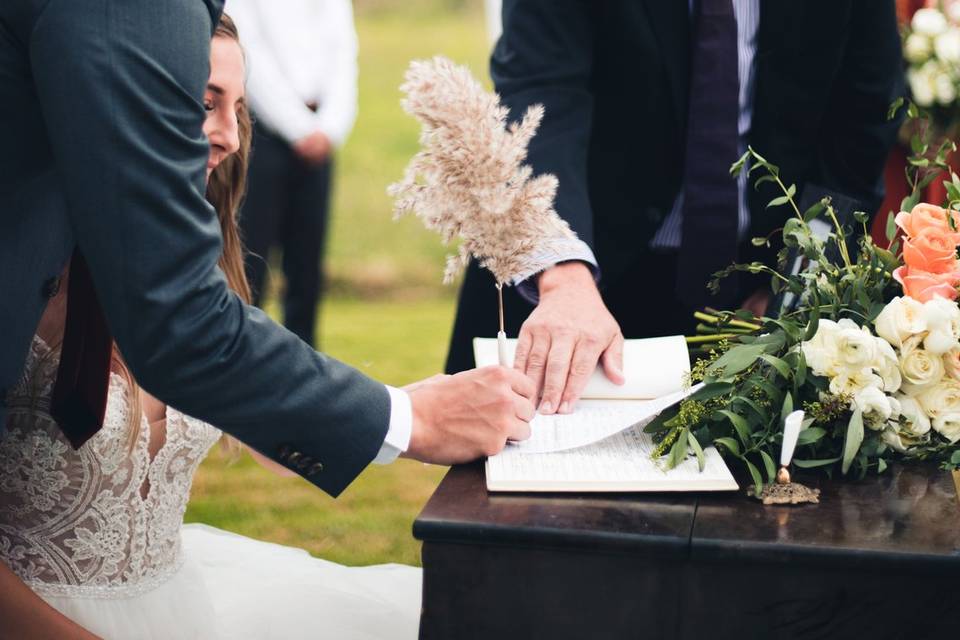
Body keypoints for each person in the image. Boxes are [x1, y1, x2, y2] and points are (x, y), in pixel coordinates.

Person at [0, 16, 421, 639]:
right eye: (202, 104)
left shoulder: (197, 280)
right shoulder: (20, 274)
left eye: (239, 111)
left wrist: (411, 412)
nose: (228, 136)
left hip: (180, 605)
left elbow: (265, 419)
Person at [446, 0, 905, 416]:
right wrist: (563, 273)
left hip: (760, 291)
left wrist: (796, 280)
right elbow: (539, 95)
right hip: (575, 279)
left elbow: (863, 118)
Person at [229, 0, 358, 347]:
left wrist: (330, 128)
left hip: (321, 132)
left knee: (307, 268)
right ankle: (243, 361)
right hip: (264, 132)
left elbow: (343, 49)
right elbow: (248, 51)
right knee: (251, 260)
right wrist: (299, 128)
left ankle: (306, 364)